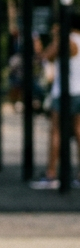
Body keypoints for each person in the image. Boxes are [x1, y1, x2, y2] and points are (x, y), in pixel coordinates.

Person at [30, 16, 80, 190]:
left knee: (56, 131)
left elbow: (44, 57)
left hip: (66, 92)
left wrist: (38, 43)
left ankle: (51, 173)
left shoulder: (66, 41)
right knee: (78, 131)